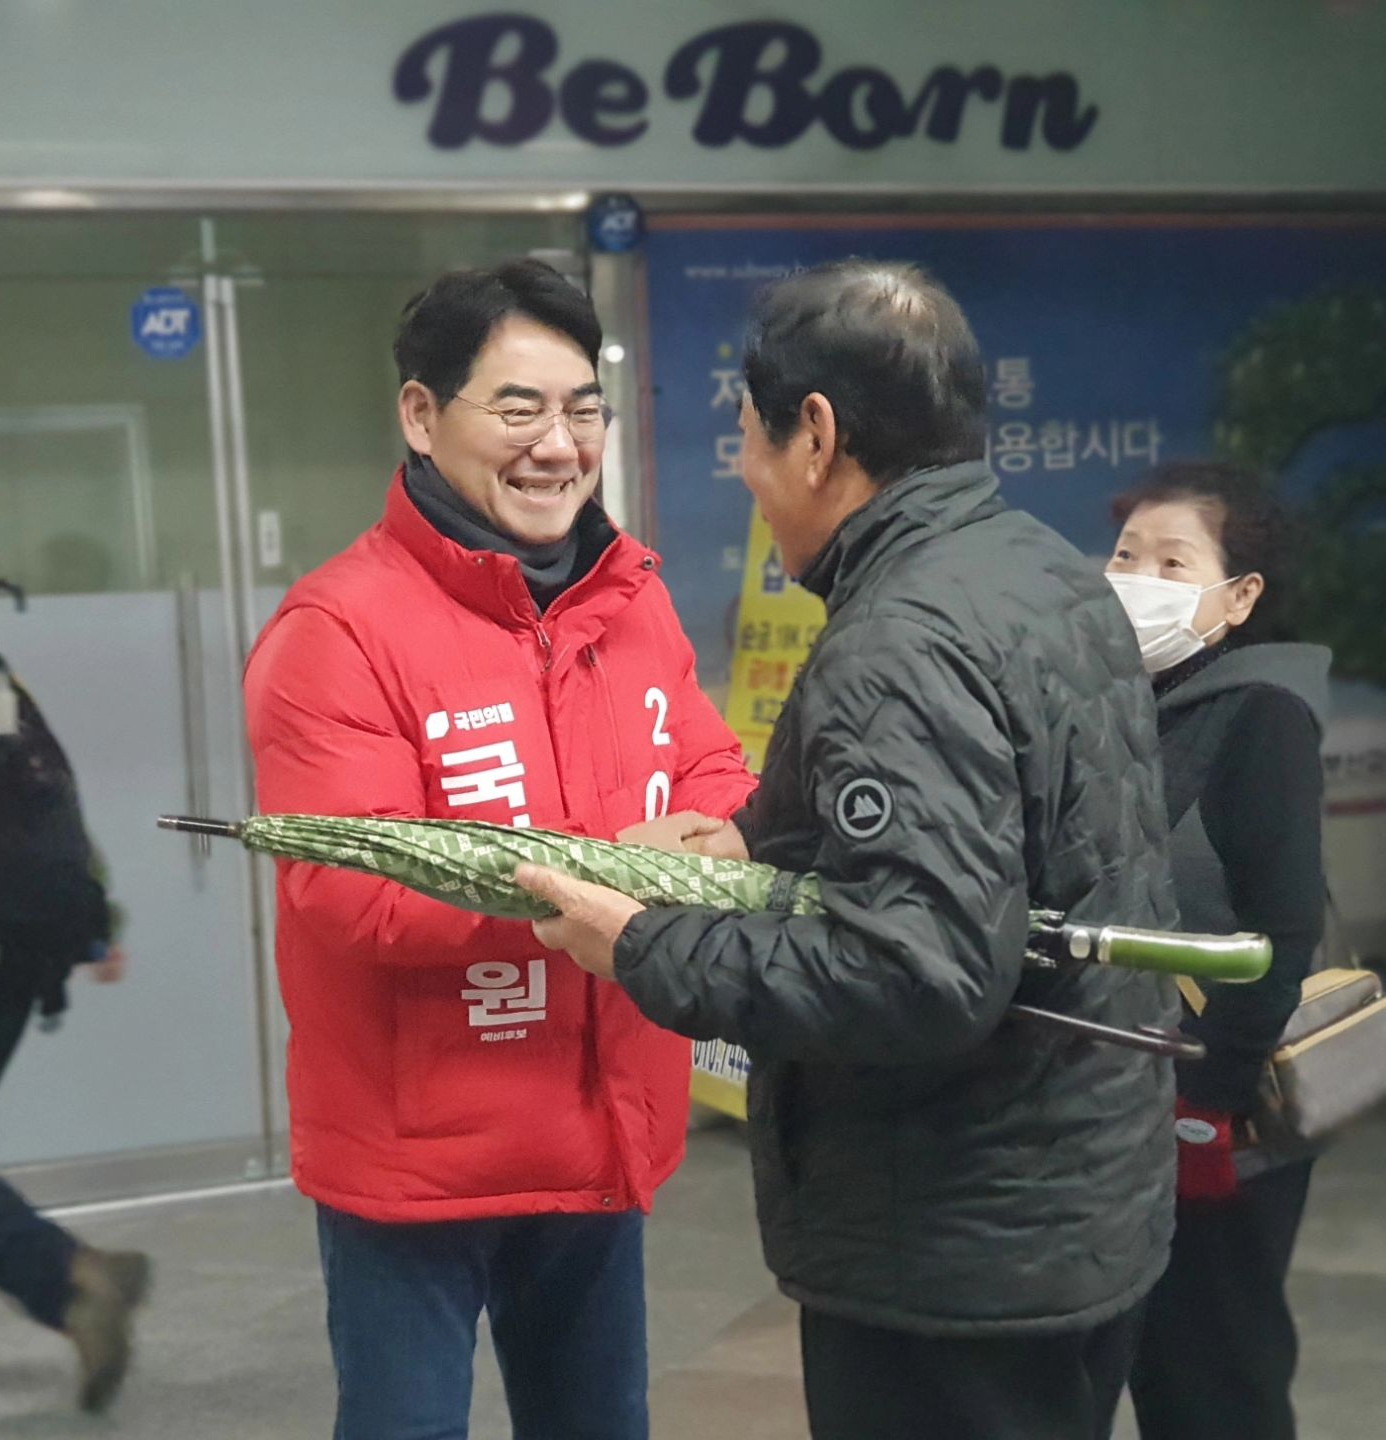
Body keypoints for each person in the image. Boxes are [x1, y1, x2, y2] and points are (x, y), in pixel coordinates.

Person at [515, 260, 1179, 1440]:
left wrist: (647, 943)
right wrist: (749, 839)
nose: (744, 471)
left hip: (949, 1249)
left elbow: (916, 974)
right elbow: (1001, 831)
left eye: (748, 437)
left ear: (816, 435)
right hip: (1078, 1204)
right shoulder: (1038, 568)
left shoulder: (899, 638)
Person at [243, 259, 754, 1440]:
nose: (558, 446)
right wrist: (612, 876)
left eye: (583, 410)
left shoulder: (629, 595)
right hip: (417, 1159)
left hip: (602, 1124)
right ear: (422, 416)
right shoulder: (339, 628)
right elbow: (351, 887)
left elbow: (710, 768)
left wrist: (723, 836)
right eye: (519, 408)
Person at [1105, 463, 1330, 1440]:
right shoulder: (1127, 704)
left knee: (1215, 1381)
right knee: (1155, 1364)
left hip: (1219, 1116)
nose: (1138, 579)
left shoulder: (1261, 714)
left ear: (1239, 597)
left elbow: (1284, 928)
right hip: (1125, 1108)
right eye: (1126, 556)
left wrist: (1211, 1104)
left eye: (1172, 562)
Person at [0, 576, 148, 1412]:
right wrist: (95, 928)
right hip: (12, 966)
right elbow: (51, 811)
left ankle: (70, 1280)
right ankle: (71, 1282)